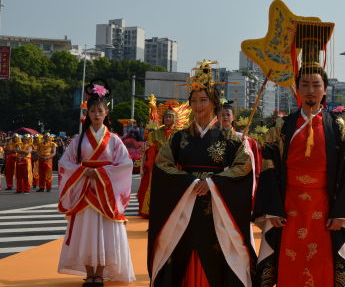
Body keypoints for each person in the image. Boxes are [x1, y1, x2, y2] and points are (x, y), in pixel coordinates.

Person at [253, 22, 345, 286]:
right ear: (297, 89)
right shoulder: (282, 128)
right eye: (304, 85)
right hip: (290, 206)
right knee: (290, 261)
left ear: (325, 90)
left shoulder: (338, 127)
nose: (310, 91)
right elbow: (269, 168)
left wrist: (342, 213)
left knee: (323, 264)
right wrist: (272, 208)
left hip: (325, 206)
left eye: (316, 85)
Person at [147, 60, 257, 287]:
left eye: (203, 100)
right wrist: (190, 182)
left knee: (218, 254)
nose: (198, 105)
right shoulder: (179, 138)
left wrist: (214, 184)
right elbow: (162, 163)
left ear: (214, 103)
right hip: (186, 205)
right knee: (183, 252)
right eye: (194, 101)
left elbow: (244, 167)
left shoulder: (229, 139)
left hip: (218, 208)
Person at [58, 79, 135, 286]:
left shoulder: (114, 140)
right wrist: (83, 171)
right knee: (87, 232)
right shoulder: (79, 139)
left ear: (106, 113)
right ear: (88, 114)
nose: (97, 115)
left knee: (104, 232)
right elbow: (65, 162)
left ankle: (100, 272)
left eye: (100, 111)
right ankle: (89, 272)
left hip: (105, 192)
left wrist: (100, 173)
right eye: (93, 111)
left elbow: (125, 164)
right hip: (85, 188)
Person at [137, 103, 177, 218]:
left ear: (174, 119)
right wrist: (150, 164)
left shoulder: (179, 134)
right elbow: (152, 150)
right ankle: (152, 211)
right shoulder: (155, 133)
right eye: (166, 117)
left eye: (170, 117)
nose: (168, 118)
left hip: (174, 165)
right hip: (158, 164)